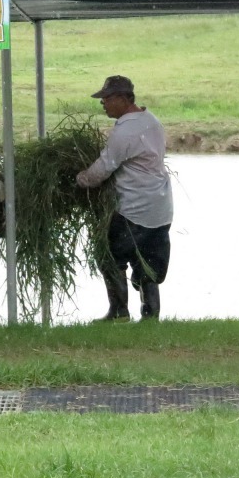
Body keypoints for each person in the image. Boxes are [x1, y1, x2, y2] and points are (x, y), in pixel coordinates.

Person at [76, 75, 173, 320]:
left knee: (109, 254)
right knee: (149, 261)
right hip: (160, 207)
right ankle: (151, 314)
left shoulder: (126, 131)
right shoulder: (151, 120)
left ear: (122, 98)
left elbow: (103, 168)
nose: (103, 104)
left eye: (107, 99)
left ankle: (119, 311)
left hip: (133, 208)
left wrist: (81, 179)